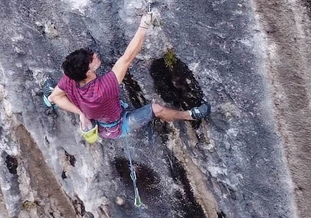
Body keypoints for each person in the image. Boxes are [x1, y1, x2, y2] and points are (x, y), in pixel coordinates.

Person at [49, 12, 210, 140]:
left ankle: (51, 101)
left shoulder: (70, 78)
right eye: (92, 59)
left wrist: (82, 112)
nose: (96, 55)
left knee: (54, 97)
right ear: (87, 72)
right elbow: (127, 58)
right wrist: (143, 26)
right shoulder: (102, 90)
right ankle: (189, 115)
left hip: (101, 120)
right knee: (157, 109)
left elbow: (55, 97)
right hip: (118, 126)